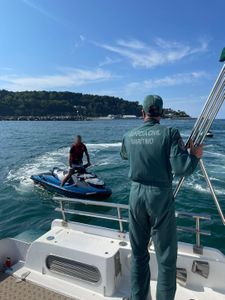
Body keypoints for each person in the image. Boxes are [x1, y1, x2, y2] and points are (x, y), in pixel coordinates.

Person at [120, 95, 203, 300]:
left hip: (135, 195)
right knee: (165, 259)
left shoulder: (129, 135)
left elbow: (124, 155)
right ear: (162, 113)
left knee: (139, 255)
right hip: (159, 197)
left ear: (143, 113)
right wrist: (194, 156)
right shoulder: (170, 133)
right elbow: (181, 168)